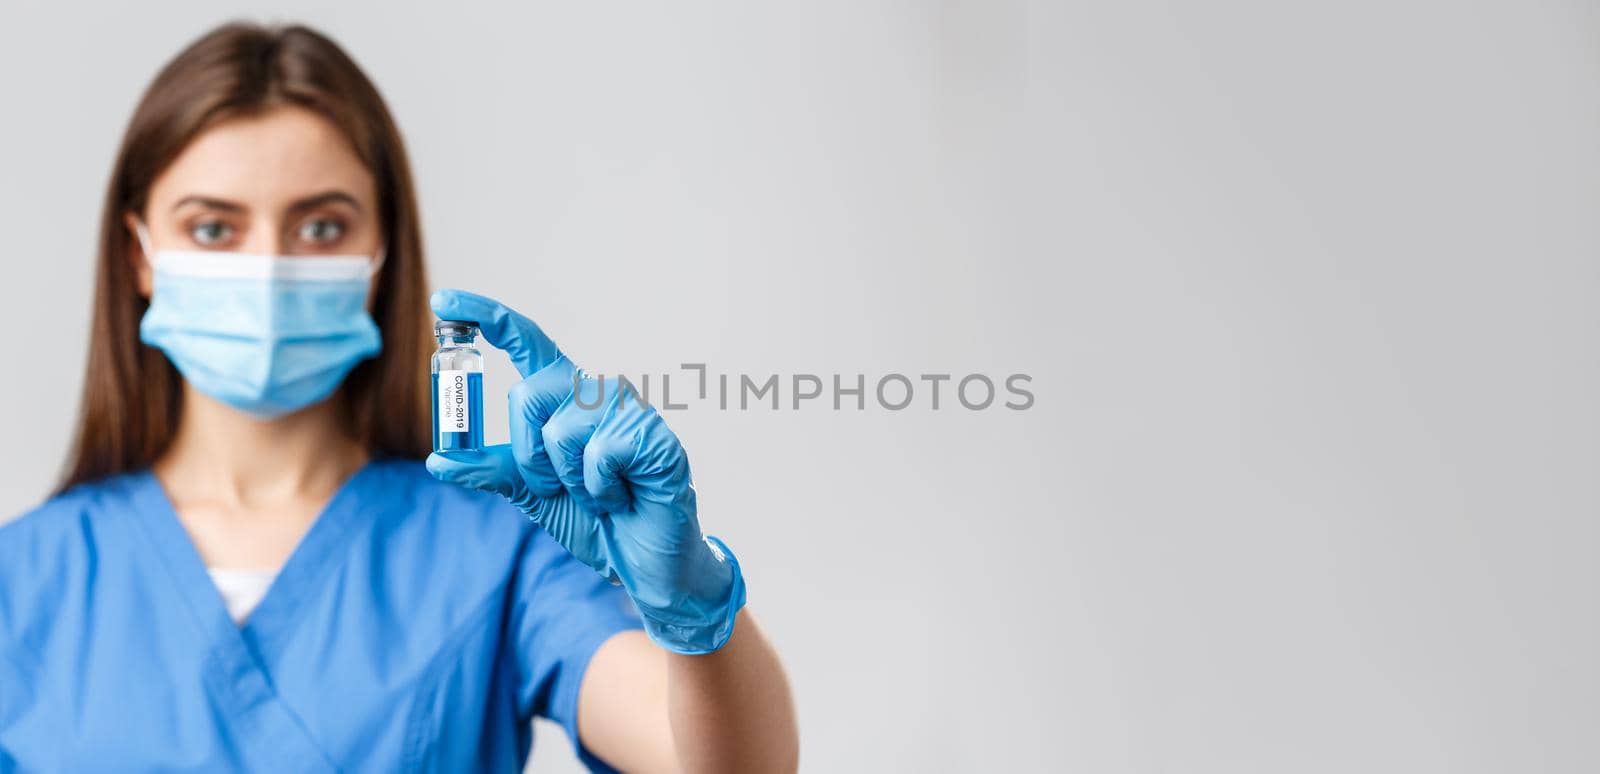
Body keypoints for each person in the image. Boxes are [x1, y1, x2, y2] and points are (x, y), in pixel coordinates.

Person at [0, 22, 797, 773]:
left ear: (382, 252)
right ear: (138, 253)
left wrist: (694, 607)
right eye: (214, 229)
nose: (271, 266)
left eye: (321, 228)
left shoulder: (495, 549)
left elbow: (724, 765)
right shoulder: (24, 581)